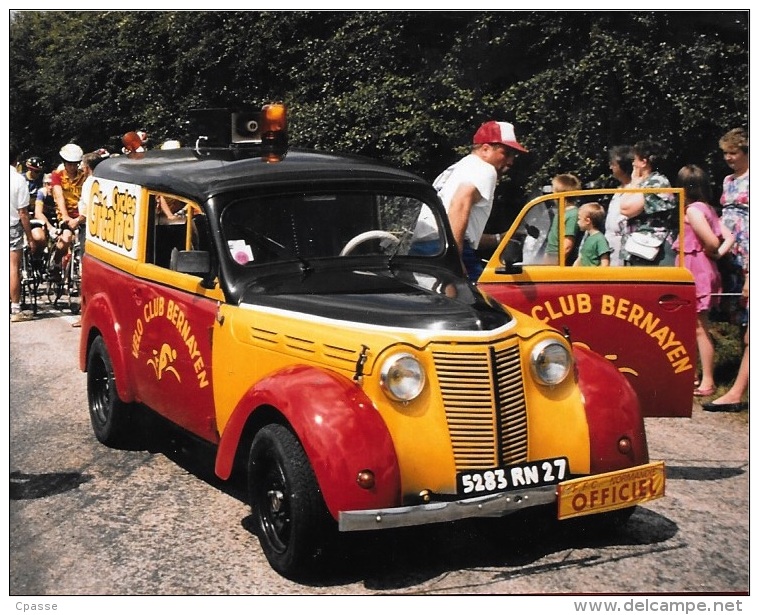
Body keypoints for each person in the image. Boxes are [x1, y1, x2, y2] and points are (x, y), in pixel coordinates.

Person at [413, 120, 528, 281]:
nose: (510, 161)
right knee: (478, 301)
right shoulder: (485, 170)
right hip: (443, 248)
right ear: (485, 149)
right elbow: (460, 204)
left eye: (513, 155)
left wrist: (501, 238)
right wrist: (454, 259)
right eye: (506, 153)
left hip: (423, 248)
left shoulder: (459, 168)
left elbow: (461, 229)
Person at [673, 165, 734, 398]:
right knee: (696, 326)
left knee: (699, 328)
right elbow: (728, 236)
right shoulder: (706, 208)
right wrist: (718, 255)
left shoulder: (693, 212)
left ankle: (706, 379)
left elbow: (711, 241)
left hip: (695, 269)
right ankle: (695, 375)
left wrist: (713, 251)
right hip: (702, 268)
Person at [704, 128, 749, 412]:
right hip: (727, 253)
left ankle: (736, 392)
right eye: (726, 153)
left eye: (734, 153)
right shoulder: (728, 181)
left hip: (748, 251)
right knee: (739, 320)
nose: (729, 158)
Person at [619, 140, 676, 266]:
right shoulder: (644, 182)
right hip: (638, 248)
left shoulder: (657, 182)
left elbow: (626, 209)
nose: (633, 164)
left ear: (644, 162)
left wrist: (633, 182)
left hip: (652, 250)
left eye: (635, 160)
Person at [10, 146, 37, 322]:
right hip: (11, 226)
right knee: (13, 267)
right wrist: (29, 236)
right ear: (16, 160)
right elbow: (23, 213)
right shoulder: (18, 180)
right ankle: (15, 309)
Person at [50, 143, 86, 272]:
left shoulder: (84, 175)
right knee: (65, 239)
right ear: (64, 163)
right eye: (69, 163)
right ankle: (56, 261)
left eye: (75, 164)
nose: (72, 167)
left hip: (82, 215)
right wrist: (65, 216)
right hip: (66, 214)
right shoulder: (57, 175)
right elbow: (59, 196)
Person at [605, 145, 634, 266]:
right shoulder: (620, 189)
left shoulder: (634, 189)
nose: (611, 167)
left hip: (624, 246)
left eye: (613, 164)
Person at [545, 173, 583, 264]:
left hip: (561, 260)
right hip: (552, 255)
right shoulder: (561, 213)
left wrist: (556, 263)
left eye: (553, 190)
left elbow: (567, 246)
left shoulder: (573, 214)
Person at [574, 202, 611, 267]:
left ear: (588, 221)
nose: (577, 222)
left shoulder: (600, 239)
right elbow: (581, 257)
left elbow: (605, 263)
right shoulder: (588, 237)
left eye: (579, 219)